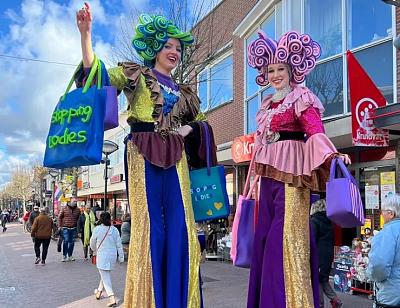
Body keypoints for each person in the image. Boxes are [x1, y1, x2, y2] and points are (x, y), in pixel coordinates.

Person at [75, 3, 212, 307]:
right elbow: (99, 78)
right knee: (151, 230)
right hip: (143, 153)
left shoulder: (184, 91)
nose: (173, 51)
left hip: (176, 157)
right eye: (167, 45)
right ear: (154, 48)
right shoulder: (136, 74)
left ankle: (178, 300)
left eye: (177, 47)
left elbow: (200, 120)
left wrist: (189, 130)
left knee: (181, 229)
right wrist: (86, 36)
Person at [245, 30, 351, 308]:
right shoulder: (268, 105)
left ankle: (290, 301)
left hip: (292, 178)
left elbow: (315, 131)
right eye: (271, 70)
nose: (275, 74)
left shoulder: (302, 97)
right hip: (267, 178)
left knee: (286, 239)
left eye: (281, 68)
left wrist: (332, 155)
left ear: (292, 70)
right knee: (266, 240)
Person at [366, 195, 400, 307]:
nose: (381, 214)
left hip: (392, 294)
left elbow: (379, 266)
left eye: (383, 211)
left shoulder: (386, 234)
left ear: (391, 214)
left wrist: (370, 274)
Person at [310, 198, 342, 308]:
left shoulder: (314, 220)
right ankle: (335, 300)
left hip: (318, 255)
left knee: (317, 279)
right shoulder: (329, 222)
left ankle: (319, 304)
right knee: (323, 279)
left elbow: (312, 239)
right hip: (328, 255)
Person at [90, 212, 124, 307]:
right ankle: (99, 292)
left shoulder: (97, 229)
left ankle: (111, 297)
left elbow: (92, 242)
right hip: (112, 256)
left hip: (102, 256)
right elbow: (119, 244)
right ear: (110, 219)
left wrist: (94, 250)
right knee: (104, 274)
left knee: (105, 276)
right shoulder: (114, 230)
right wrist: (121, 256)